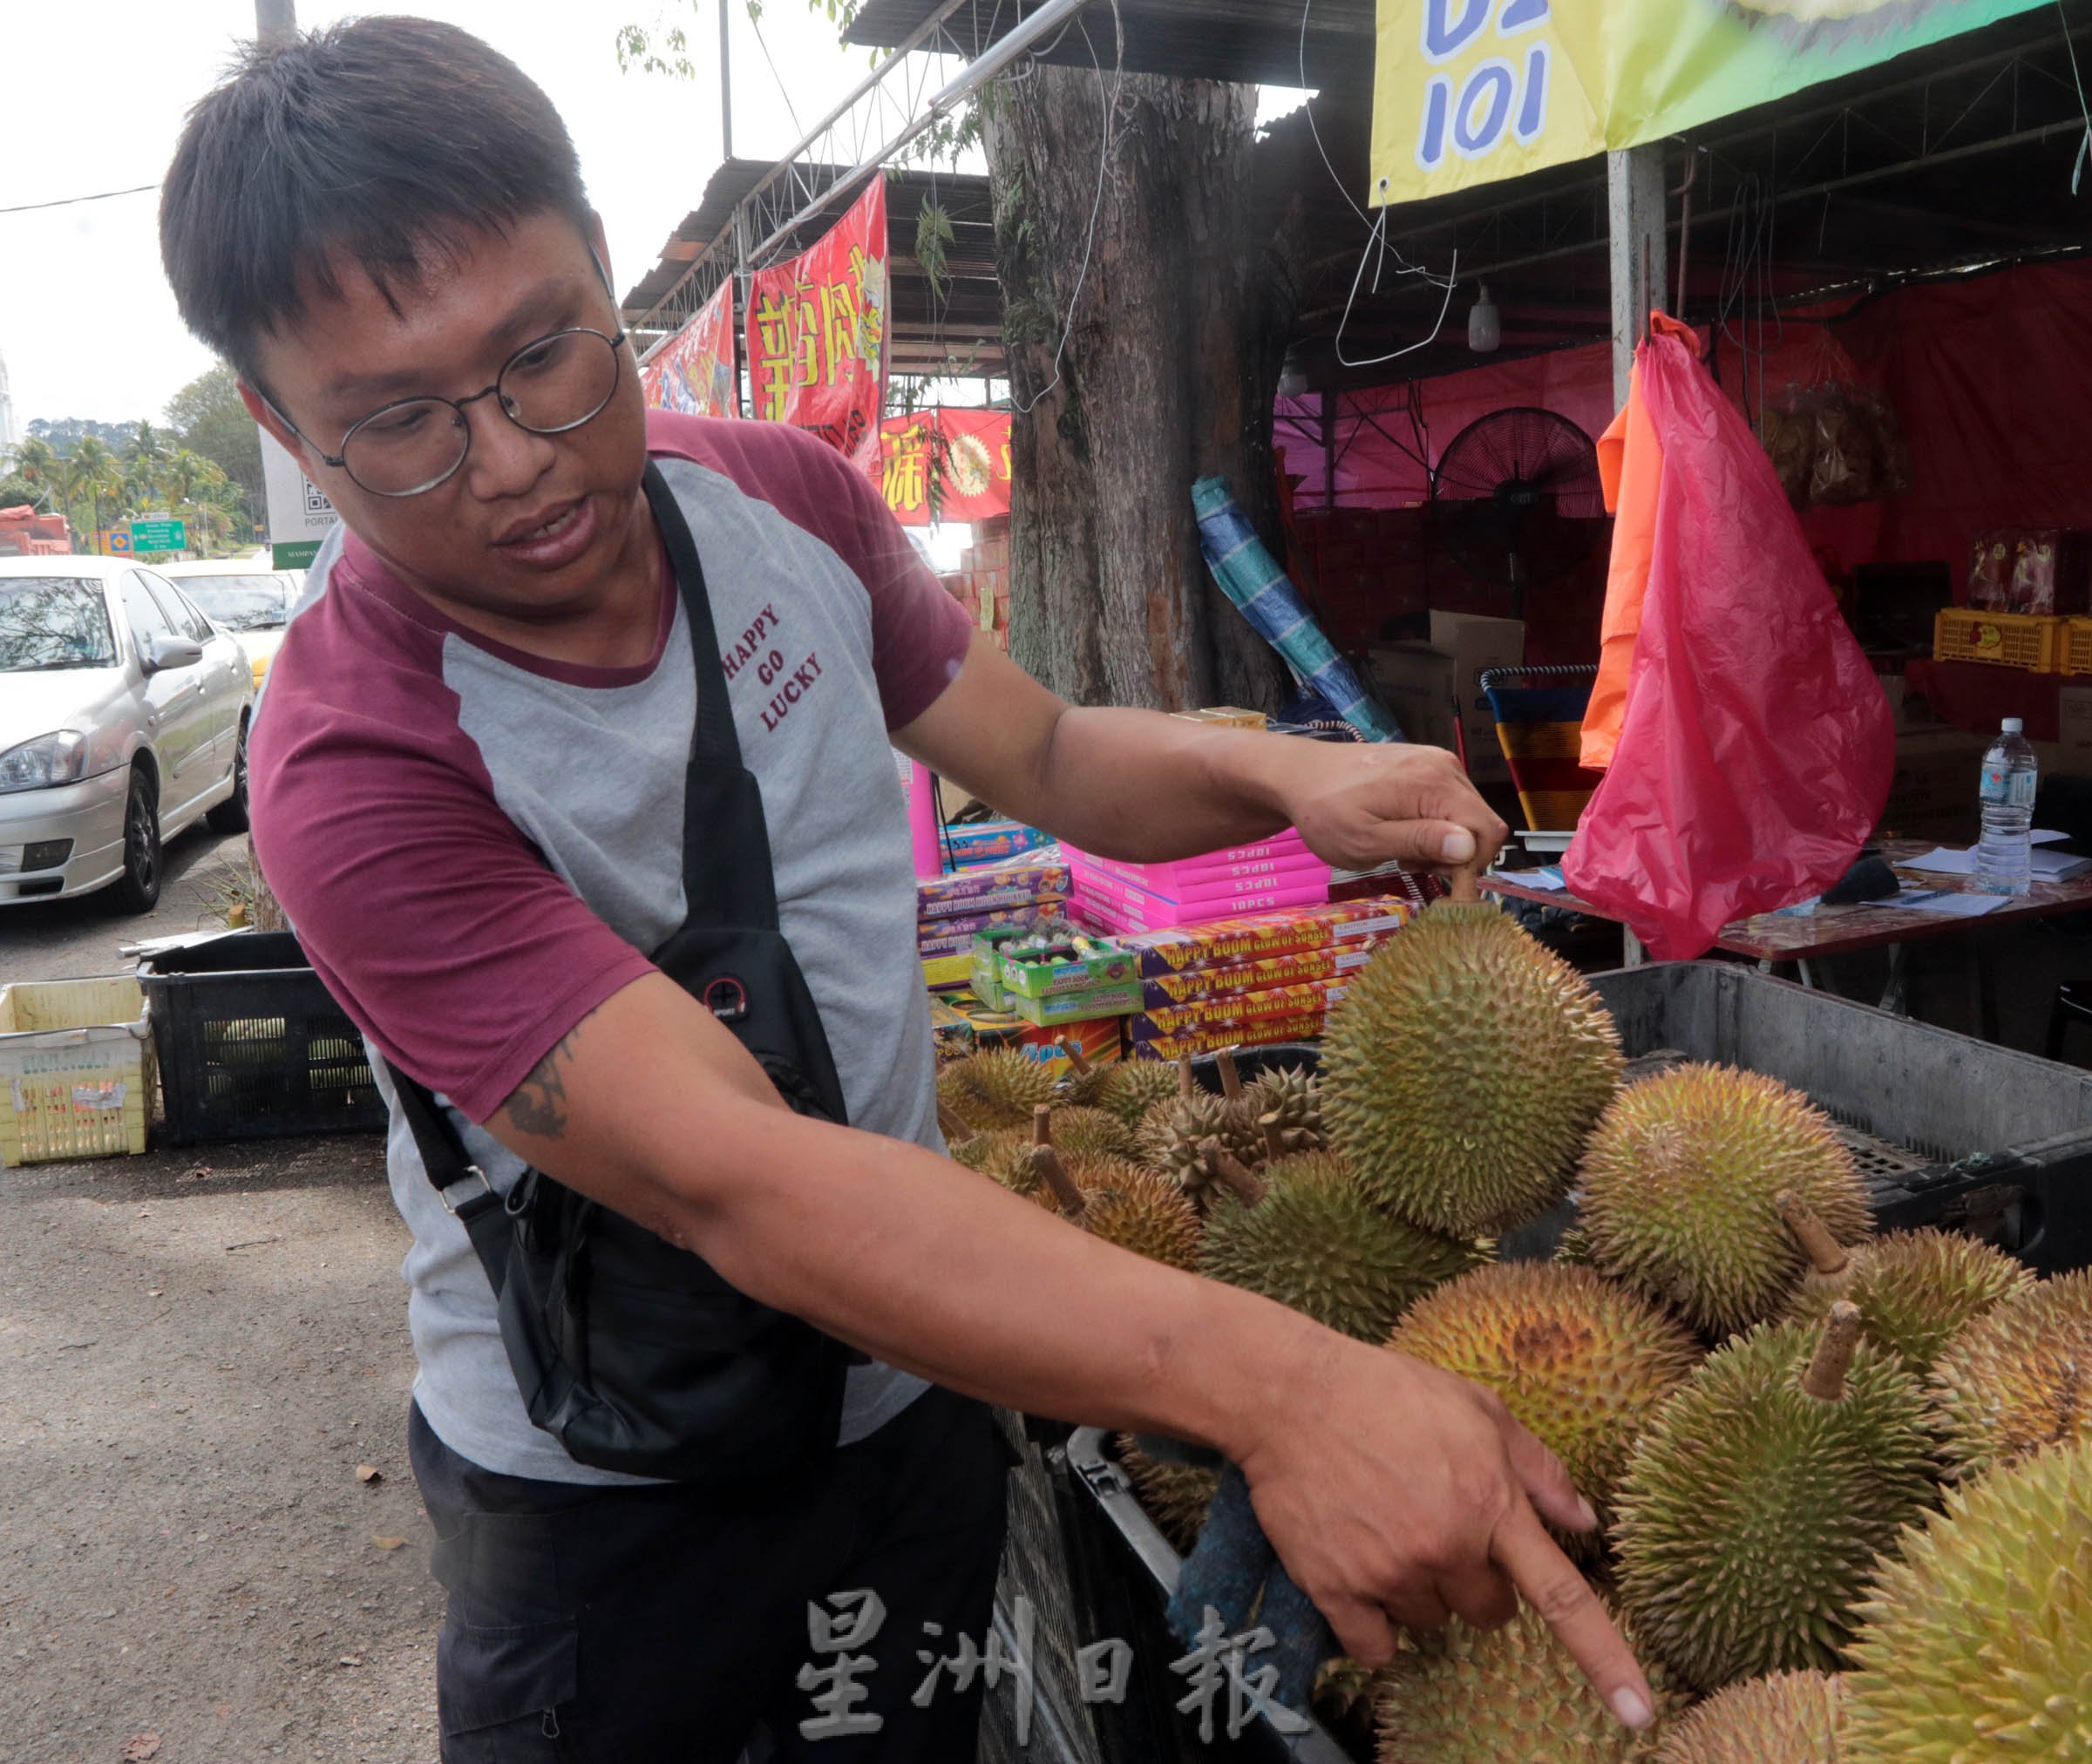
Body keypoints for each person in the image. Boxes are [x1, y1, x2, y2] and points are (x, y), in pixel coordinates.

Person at [160, 19, 1654, 1761]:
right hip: (614, 1496)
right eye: (396, 425)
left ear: (596, 272)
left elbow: (1052, 757)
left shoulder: (782, 500)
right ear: (281, 421)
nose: (504, 460)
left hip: (922, 1385)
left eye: (542, 359)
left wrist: (1282, 773)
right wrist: (1285, 1384)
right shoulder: (357, 763)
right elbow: (751, 1186)